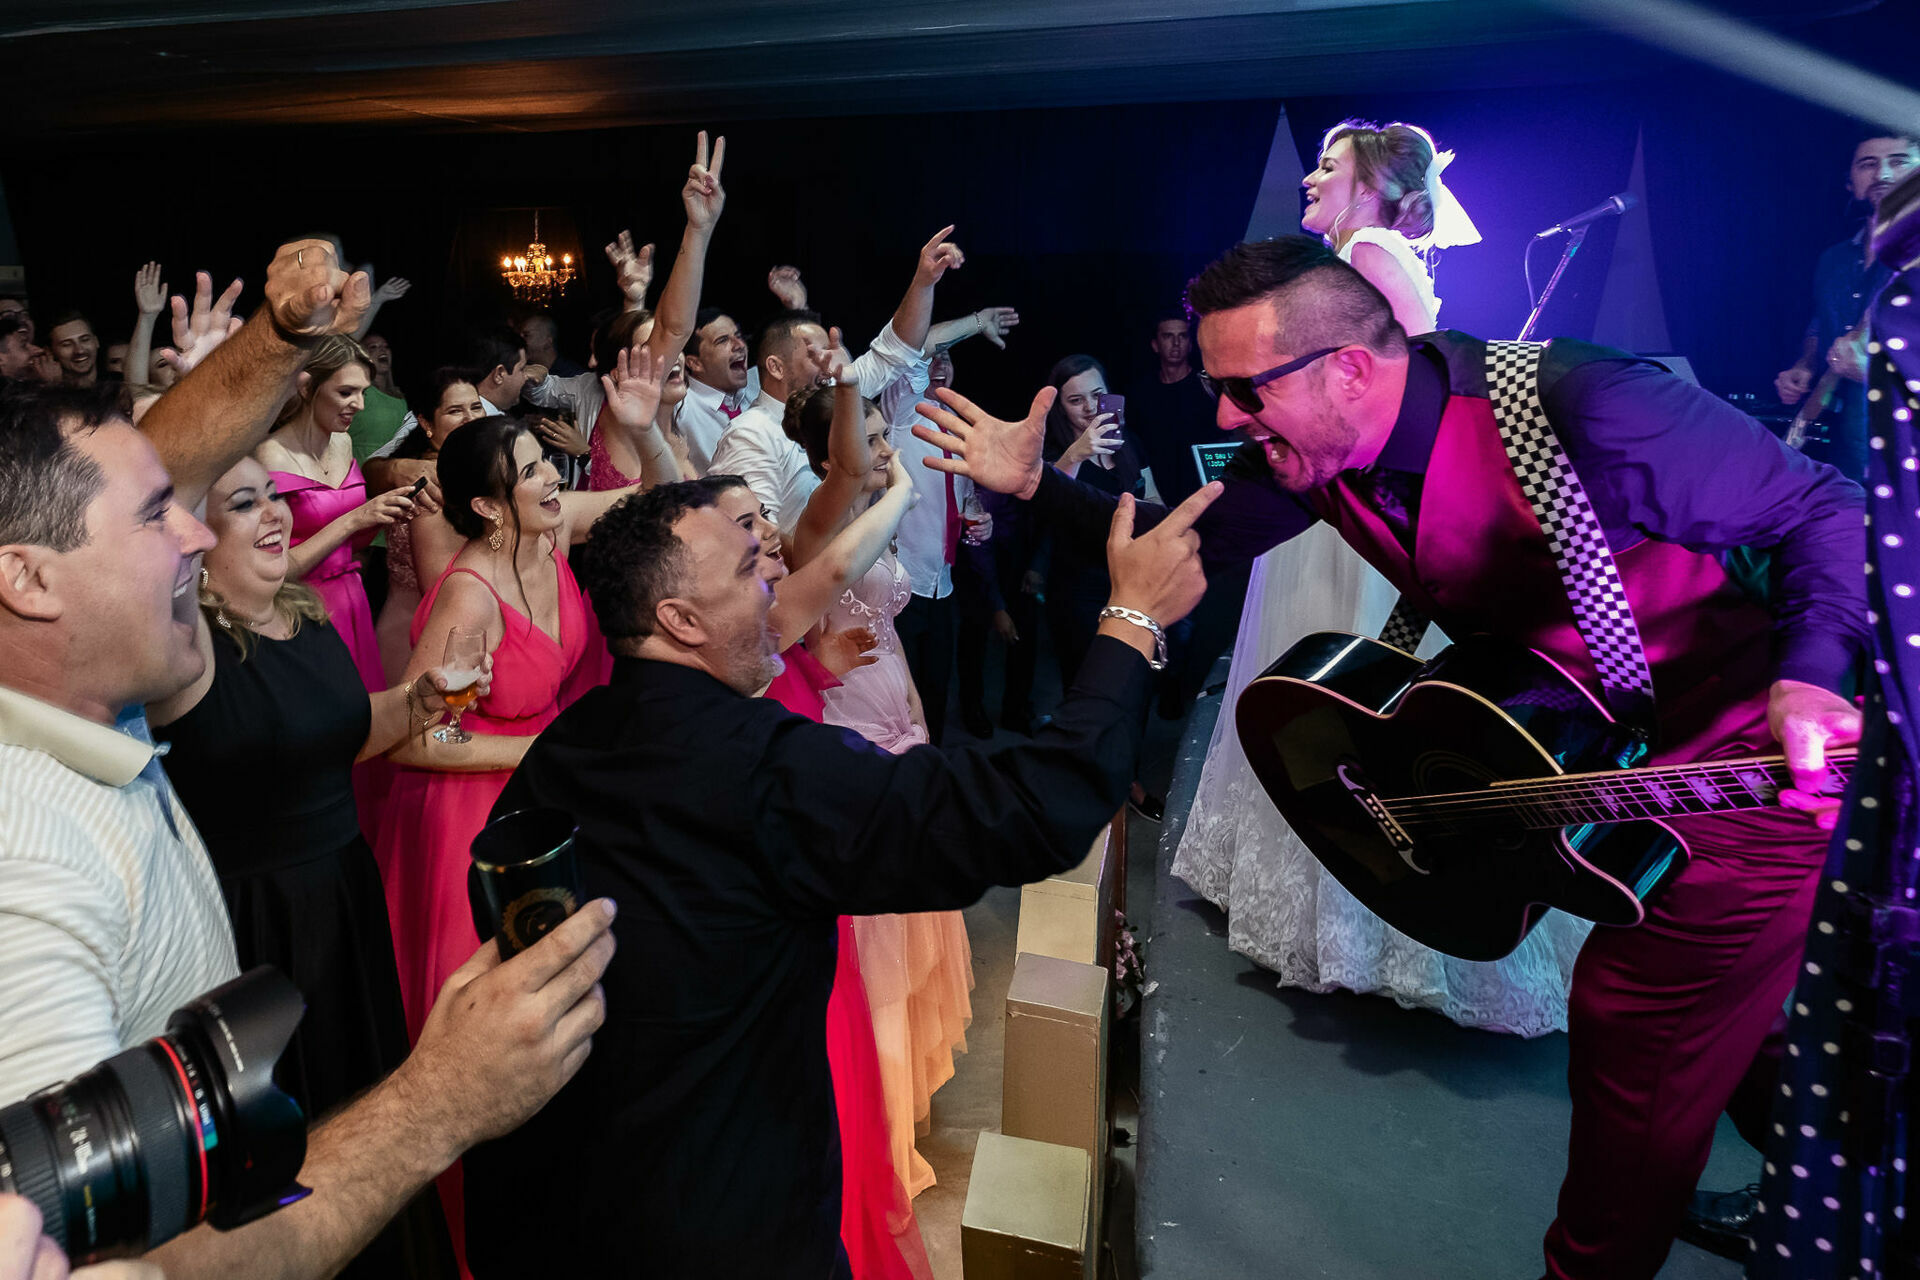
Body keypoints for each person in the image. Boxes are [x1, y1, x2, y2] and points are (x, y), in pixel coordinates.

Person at [917, 232, 1866, 1280]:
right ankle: (1842, 1192)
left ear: (1350, 371)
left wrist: (1815, 673)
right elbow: (1179, 539)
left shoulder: (1584, 406)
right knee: (1742, 1020)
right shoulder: (1317, 456)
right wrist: (1033, 488)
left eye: (1245, 390)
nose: (1223, 417)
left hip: (1753, 771)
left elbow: (1823, 507)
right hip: (1606, 756)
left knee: (1636, 1022)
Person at [0, 235, 614, 1280]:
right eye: (157, 519)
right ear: (28, 579)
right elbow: (120, 1261)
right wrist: (441, 1099)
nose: (197, 536)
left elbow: (175, 457)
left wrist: (281, 335)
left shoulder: (106, 706)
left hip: (331, 918)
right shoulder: (27, 864)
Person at [460, 469, 1220, 1275]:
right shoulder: (762, 770)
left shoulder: (565, 748)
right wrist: (1132, 620)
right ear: (680, 620)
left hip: (546, 1218)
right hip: (722, 1225)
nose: (774, 579)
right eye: (748, 568)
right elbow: (1032, 808)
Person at [1177, 122, 1589, 1036]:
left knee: (1340, 698)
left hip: (1350, 505)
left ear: (1370, 187)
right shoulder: (1350, 255)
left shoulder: (1369, 251)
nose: (1311, 178)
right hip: (1327, 499)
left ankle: (1365, 924)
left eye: (1329, 166)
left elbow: (1406, 379)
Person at [149, 454, 486, 1278]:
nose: (273, 514)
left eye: (274, 496)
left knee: (367, 1105)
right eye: (243, 503)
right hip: (256, 927)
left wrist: (425, 699)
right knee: (296, 1139)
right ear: (192, 531)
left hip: (344, 899)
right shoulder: (182, 649)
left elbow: (342, 738)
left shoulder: (306, 615)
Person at [708, 229, 971, 531]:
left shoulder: (836, 397)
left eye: (830, 350)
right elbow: (751, 535)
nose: (829, 361)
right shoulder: (751, 433)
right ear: (776, 367)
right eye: (815, 354)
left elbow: (897, 351)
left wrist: (924, 282)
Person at [254, 335, 415, 694]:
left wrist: (384, 513)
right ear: (307, 386)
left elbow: (351, 541)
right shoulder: (269, 456)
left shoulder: (342, 441)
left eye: (363, 393)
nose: (359, 404)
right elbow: (273, 569)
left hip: (352, 597)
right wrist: (356, 518)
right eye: (346, 392)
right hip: (302, 608)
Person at [1771, 132, 1919, 482]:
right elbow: (1821, 321)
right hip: (1847, 450)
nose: (1883, 174)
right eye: (1868, 164)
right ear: (1850, 183)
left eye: (1899, 161)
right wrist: (1805, 364)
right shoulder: (1834, 258)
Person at [372, 370, 487, 682]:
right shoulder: (426, 479)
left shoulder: (471, 469)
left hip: (461, 625)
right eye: (455, 411)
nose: (470, 418)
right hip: (416, 630)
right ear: (426, 423)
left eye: (476, 407)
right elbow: (438, 586)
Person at [44, 311, 99, 387]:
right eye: (67, 344)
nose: (79, 351)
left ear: (96, 341)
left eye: (85, 340)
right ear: (50, 352)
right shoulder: (44, 392)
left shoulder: (115, 387)